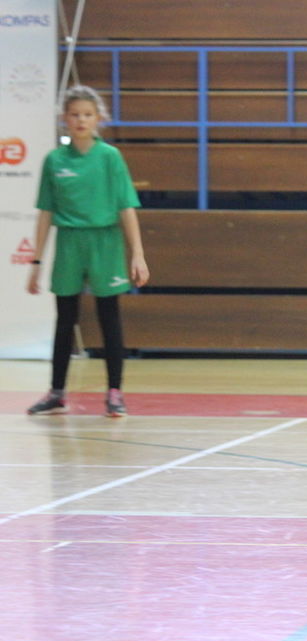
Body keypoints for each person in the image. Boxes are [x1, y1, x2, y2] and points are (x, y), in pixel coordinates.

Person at [25, 85, 149, 418]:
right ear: (65, 118)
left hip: (104, 242)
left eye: (87, 114)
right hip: (69, 242)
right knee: (65, 318)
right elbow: (46, 213)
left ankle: (114, 393)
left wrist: (137, 254)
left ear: (98, 119)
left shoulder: (110, 157)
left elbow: (126, 207)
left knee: (109, 317)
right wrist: (36, 261)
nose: (81, 120)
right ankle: (57, 393)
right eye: (75, 114)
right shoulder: (54, 160)